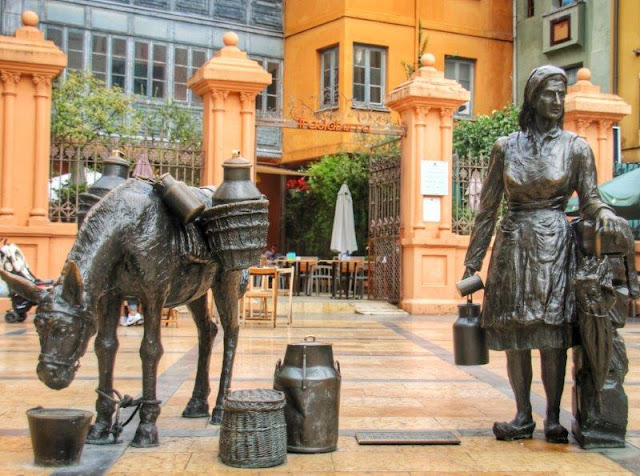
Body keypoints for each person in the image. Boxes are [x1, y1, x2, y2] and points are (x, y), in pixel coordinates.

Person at [462, 65, 627, 444]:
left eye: (561, 94)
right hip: (512, 245)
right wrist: (473, 259)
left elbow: (590, 200)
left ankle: (552, 418)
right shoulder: (506, 147)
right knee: (515, 333)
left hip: (554, 244)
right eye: (549, 94)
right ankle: (522, 415)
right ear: (533, 98)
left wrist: (603, 213)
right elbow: (488, 207)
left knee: (552, 334)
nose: (556, 101)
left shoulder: (576, 148)